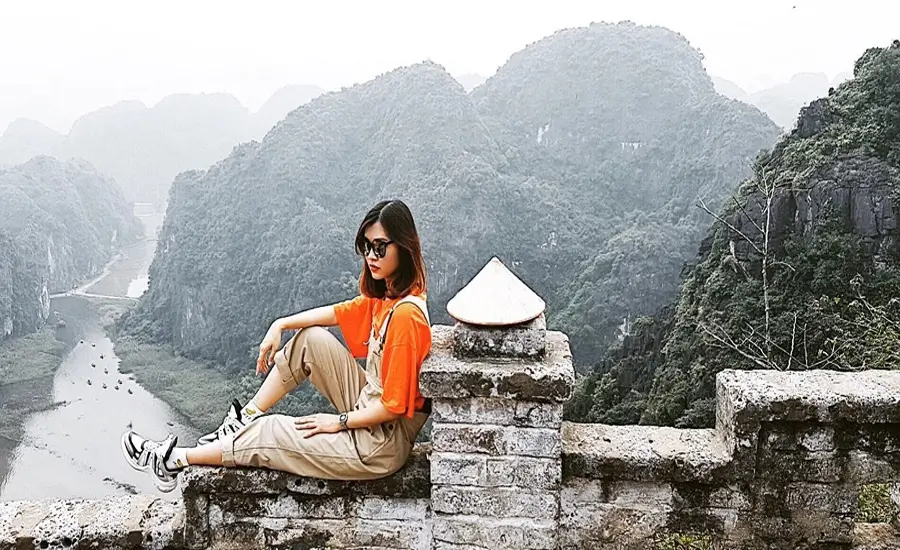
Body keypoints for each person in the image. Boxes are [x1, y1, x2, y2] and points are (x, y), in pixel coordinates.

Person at [121, 199, 432, 492]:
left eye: (380, 247)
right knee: (311, 339)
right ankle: (245, 417)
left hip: (380, 444)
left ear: (404, 246)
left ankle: (172, 461)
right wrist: (280, 324)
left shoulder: (405, 316)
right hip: (370, 408)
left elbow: (392, 407)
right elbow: (337, 313)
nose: (371, 256)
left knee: (269, 432)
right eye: (366, 246)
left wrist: (337, 423)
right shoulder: (389, 298)